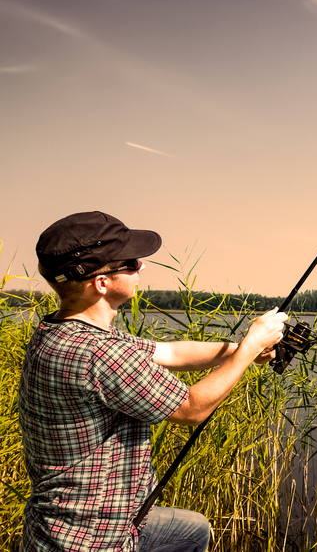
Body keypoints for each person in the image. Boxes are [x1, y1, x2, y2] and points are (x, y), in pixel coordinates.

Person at [18, 211, 287, 552]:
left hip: (79, 522)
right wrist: (248, 348)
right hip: (92, 537)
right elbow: (192, 408)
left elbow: (170, 352)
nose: (141, 267)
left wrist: (240, 351)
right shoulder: (100, 354)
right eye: (130, 263)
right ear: (101, 282)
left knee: (193, 531)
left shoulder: (62, 332)